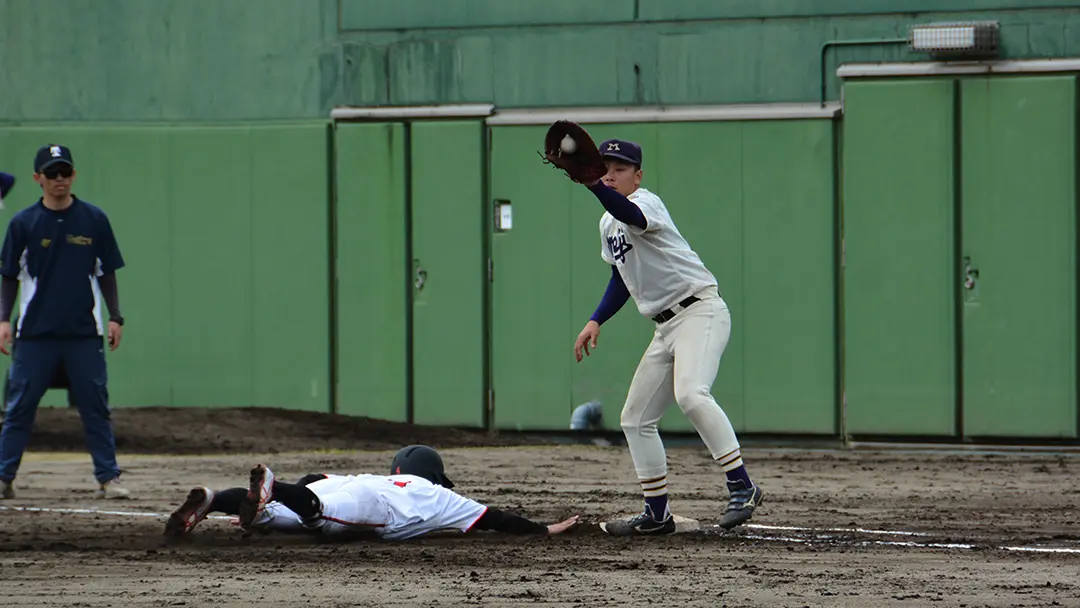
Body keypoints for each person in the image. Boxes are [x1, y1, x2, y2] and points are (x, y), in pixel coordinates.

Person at [571, 138, 764, 536]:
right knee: (635, 418)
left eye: (620, 168)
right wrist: (596, 320)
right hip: (665, 327)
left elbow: (629, 214)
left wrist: (594, 187)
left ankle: (742, 486)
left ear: (637, 175)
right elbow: (620, 278)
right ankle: (657, 514)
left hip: (699, 311)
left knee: (691, 394)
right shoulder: (606, 223)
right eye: (604, 166)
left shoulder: (646, 202)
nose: (610, 173)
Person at [0, 145, 129, 501]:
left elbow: (106, 272)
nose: (59, 179)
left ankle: (108, 476)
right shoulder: (24, 223)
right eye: (51, 173)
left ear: (73, 175)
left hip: (84, 334)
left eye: (65, 172)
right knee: (20, 406)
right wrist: (3, 320)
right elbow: (9, 275)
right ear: (37, 178)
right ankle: (3, 475)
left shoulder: (93, 220)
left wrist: (116, 316)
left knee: (95, 406)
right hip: (35, 334)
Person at [164, 445, 580, 541]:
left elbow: (314, 475)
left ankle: (214, 500)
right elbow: (495, 519)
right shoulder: (436, 495)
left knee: (277, 517)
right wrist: (544, 529)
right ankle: (272, 485)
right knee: (321, 516)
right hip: (371, 506)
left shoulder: (380, 476)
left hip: (344, 482)